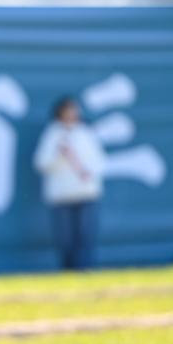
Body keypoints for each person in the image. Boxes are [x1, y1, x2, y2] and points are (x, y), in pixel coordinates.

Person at [33, 97, 105, 270]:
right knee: (65, 240)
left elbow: (99, 162)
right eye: (67, 111)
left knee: (85, 237)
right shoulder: (52, 134)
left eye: (74, 111)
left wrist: (88, 172)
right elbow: (41, 163)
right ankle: (68, 272)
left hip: (85, 193)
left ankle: (86, 270)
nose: (71, 115)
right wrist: (59, 155)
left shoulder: (85, 133)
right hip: (61, 196)